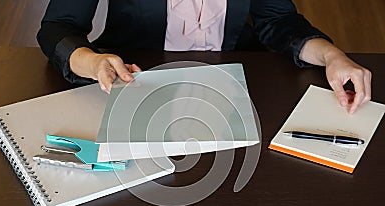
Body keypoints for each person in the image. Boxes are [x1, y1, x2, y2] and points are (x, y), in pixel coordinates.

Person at [37, 0, 371, 114]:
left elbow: (279, 21)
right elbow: (58, 26)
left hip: (236, 89)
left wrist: (332, 56)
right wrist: (91, 61)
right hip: (134, 86)